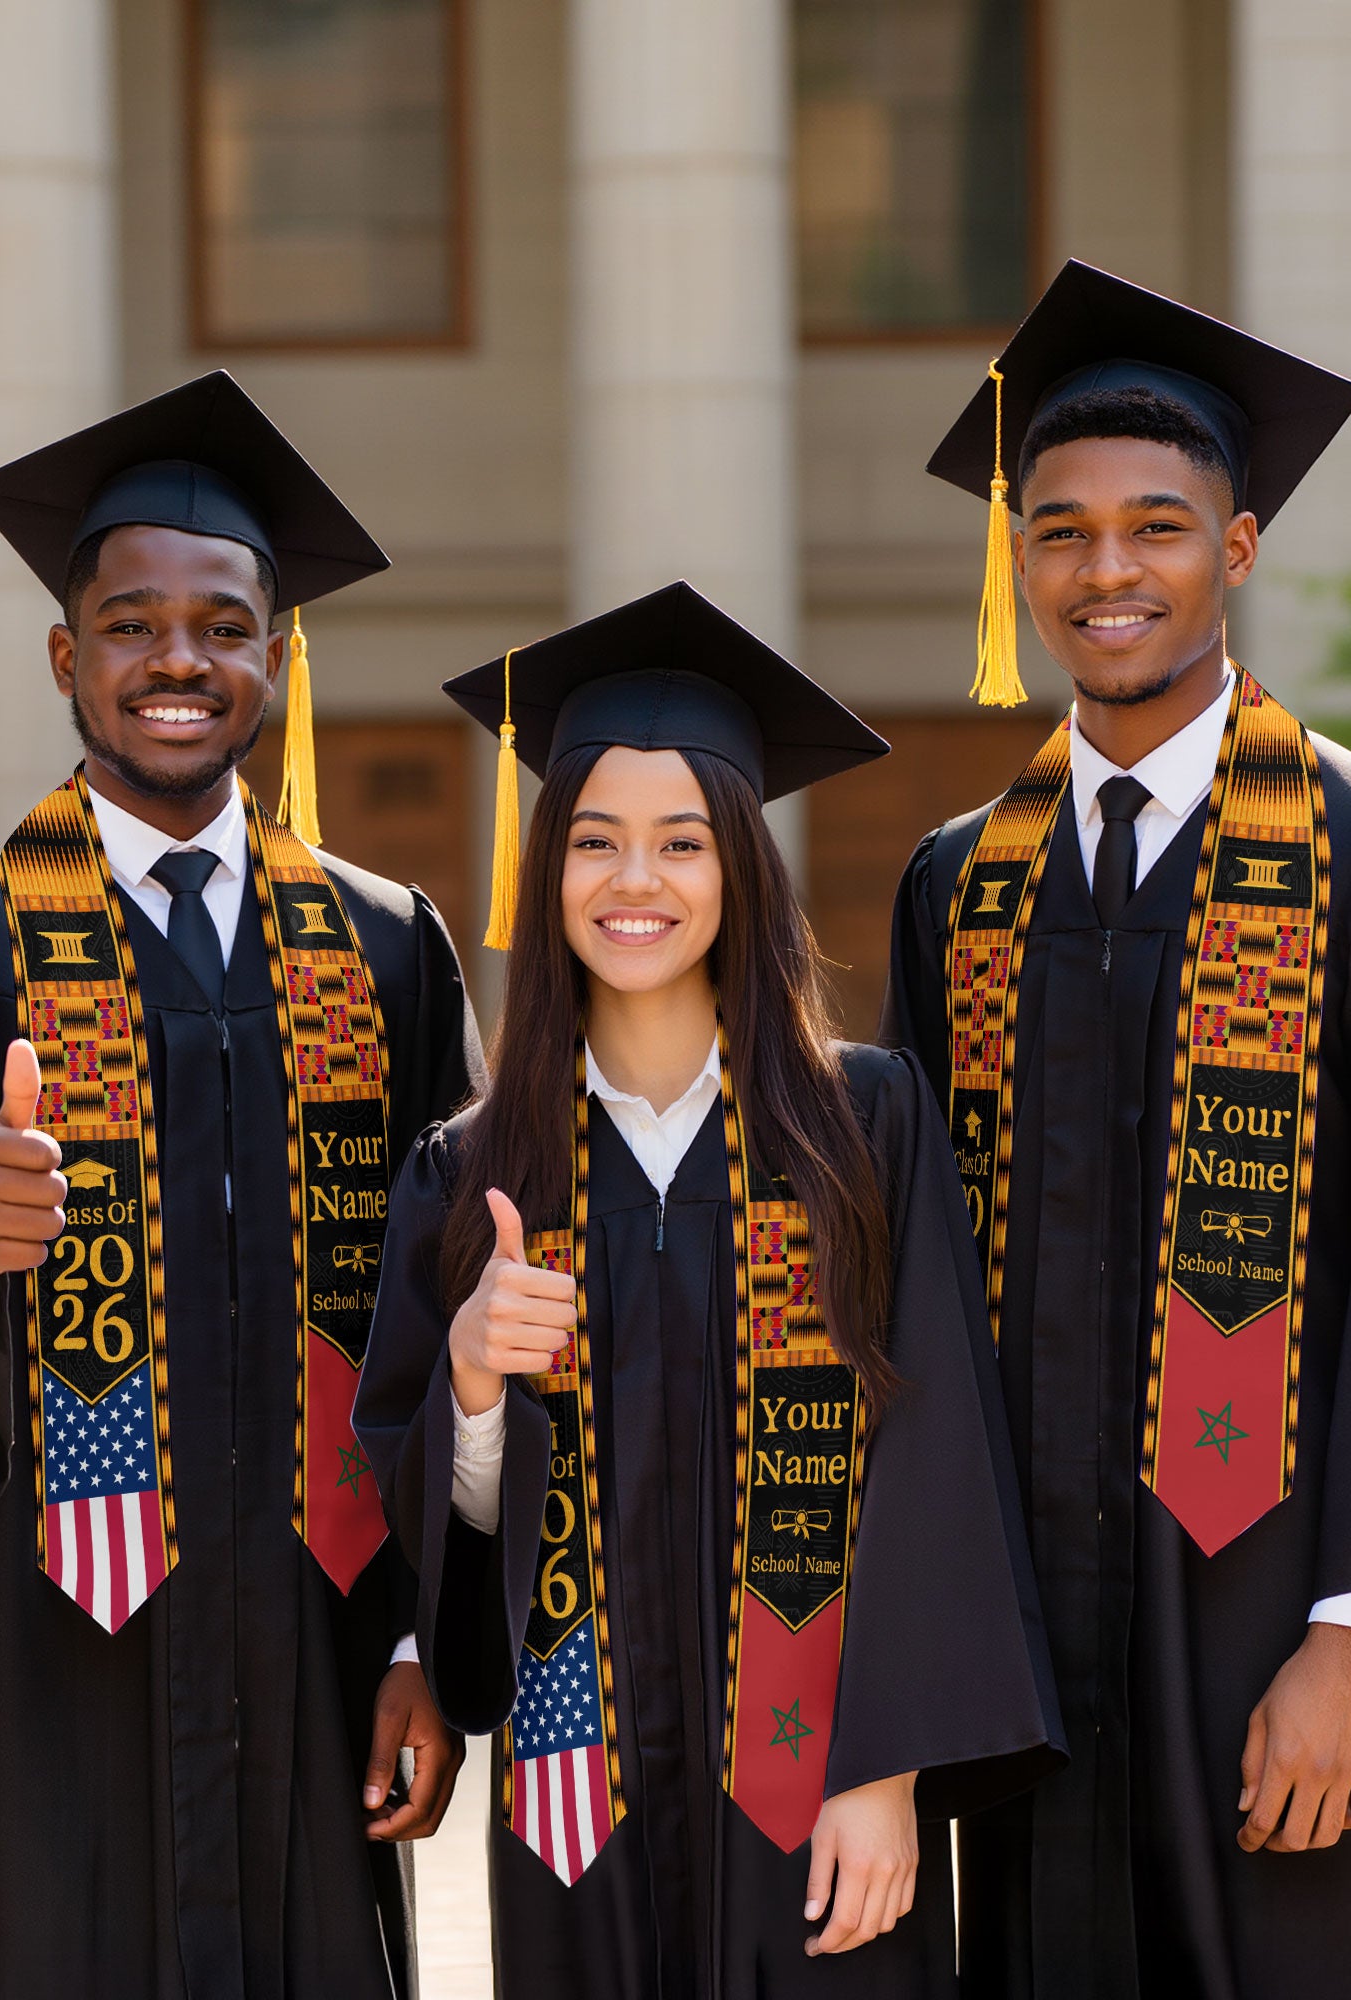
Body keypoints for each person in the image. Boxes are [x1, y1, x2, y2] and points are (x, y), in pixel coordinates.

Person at [0, 371, 483, 1996]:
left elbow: (455, 1299)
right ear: (67, 656)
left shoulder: (383, 946)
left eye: (222, 624)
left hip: (322, 1646)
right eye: (129, 624)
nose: (177, 660)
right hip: (61, 1656)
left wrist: (422, 1644)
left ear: (276, 655)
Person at [356, 582, 1062, 1998]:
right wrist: (477, 1389)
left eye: (681, 843)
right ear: (545, 871)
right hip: (578, 1806)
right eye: (596, 842)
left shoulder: (867, 1128)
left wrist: (887, 1768)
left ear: (740, 867)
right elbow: (435, 1529)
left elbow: (938, 1459)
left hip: (822, 1797)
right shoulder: (473, 1168)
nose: (637, 883)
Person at [883, 259, 1351, 2000]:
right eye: (1061, 529)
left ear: (1237, 550)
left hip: (1280, 1611)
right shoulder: (962, 885)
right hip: (1030, 1620)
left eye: (1158, 525)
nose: (1108, 571)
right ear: (1016, 558)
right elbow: (912, 1279)